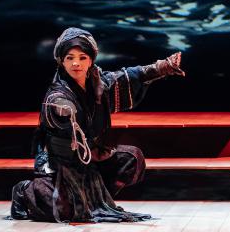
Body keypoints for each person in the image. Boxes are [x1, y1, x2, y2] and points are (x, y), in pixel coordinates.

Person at [10, 27, 185, 223]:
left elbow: (128, 77)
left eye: (82, 57)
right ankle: (25, 191)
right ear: (61, 61)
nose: (76, 63)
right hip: (60, 166)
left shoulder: (99, 84)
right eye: (69, 58)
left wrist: (161, 68)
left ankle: (92, 197)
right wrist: (65, 109)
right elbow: (56, 104)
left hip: (91, 159)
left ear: (91, 60)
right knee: (63, 210)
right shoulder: (57, 92)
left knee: (132, 158)